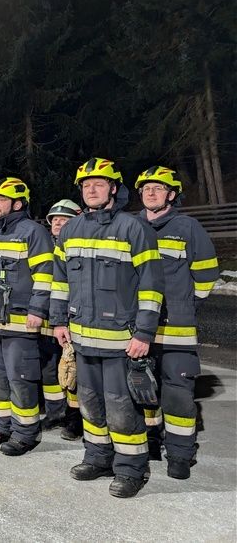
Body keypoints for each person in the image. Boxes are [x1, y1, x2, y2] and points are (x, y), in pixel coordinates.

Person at [51, 158, 164, 498]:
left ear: (114, 188)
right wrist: (58, 321)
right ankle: (98, 458)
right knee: (89, 402)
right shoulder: (70, 230)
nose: (92, 190)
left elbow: (151, 286)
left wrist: (144, 333)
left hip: (121, 341)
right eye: (86, 185)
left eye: (99, 184)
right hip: (82, 338)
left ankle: (131, 469)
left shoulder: (134, 228)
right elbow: (60, 281)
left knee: (121, 406)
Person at [135, 165, 219, 480]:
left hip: (176, 329)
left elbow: (207, 274)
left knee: (178, 392)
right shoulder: (131, 227)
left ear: (171, 195)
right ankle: (151, 442)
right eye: (146, 188)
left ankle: (181, 453)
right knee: (142, 388)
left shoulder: (188, 227)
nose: (151, 192)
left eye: (158, 188)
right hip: (139, 329)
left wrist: (186, 304)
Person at [0, 177, 53, 456]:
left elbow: (45, 275)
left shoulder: (33, 232)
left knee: (21, 378)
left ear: (17, 204)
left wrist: (37, 310)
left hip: (19, 323)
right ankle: (1, 426)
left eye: (1, 200)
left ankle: (26, 432)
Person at [40, 199, 83, 441]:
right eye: (54, 219)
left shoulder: (78, 246)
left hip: (72, 318)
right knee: (50, 371)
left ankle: (75, 419)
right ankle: (55, 412)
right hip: (49, 318)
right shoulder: (43, 244)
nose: (57, 223)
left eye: (64, 219)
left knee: (73, 371)